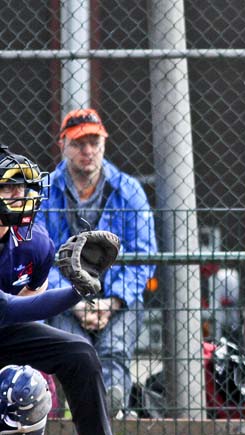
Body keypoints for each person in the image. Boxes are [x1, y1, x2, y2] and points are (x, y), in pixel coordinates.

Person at [0, 145, 150, 435]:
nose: (19, 196)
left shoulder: (34, 243)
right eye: (8, 187)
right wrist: (75, 292)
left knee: (77, 353)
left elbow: (26, 309)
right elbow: (7, 308)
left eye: (23, 188)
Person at [39, 108, 157, 417]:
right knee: (75, 348)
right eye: (78, 143)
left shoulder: (129, 191)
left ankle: (107, 412)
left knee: (114, 349)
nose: (87, 151)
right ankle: (88, 412)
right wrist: (73, 299)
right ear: (62, 145)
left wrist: (113, 301)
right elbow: (38, 258)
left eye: (94, 142)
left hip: (117, 295)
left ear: (104, 144)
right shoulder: (45, 192)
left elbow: (144, 257)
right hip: (65, 295)